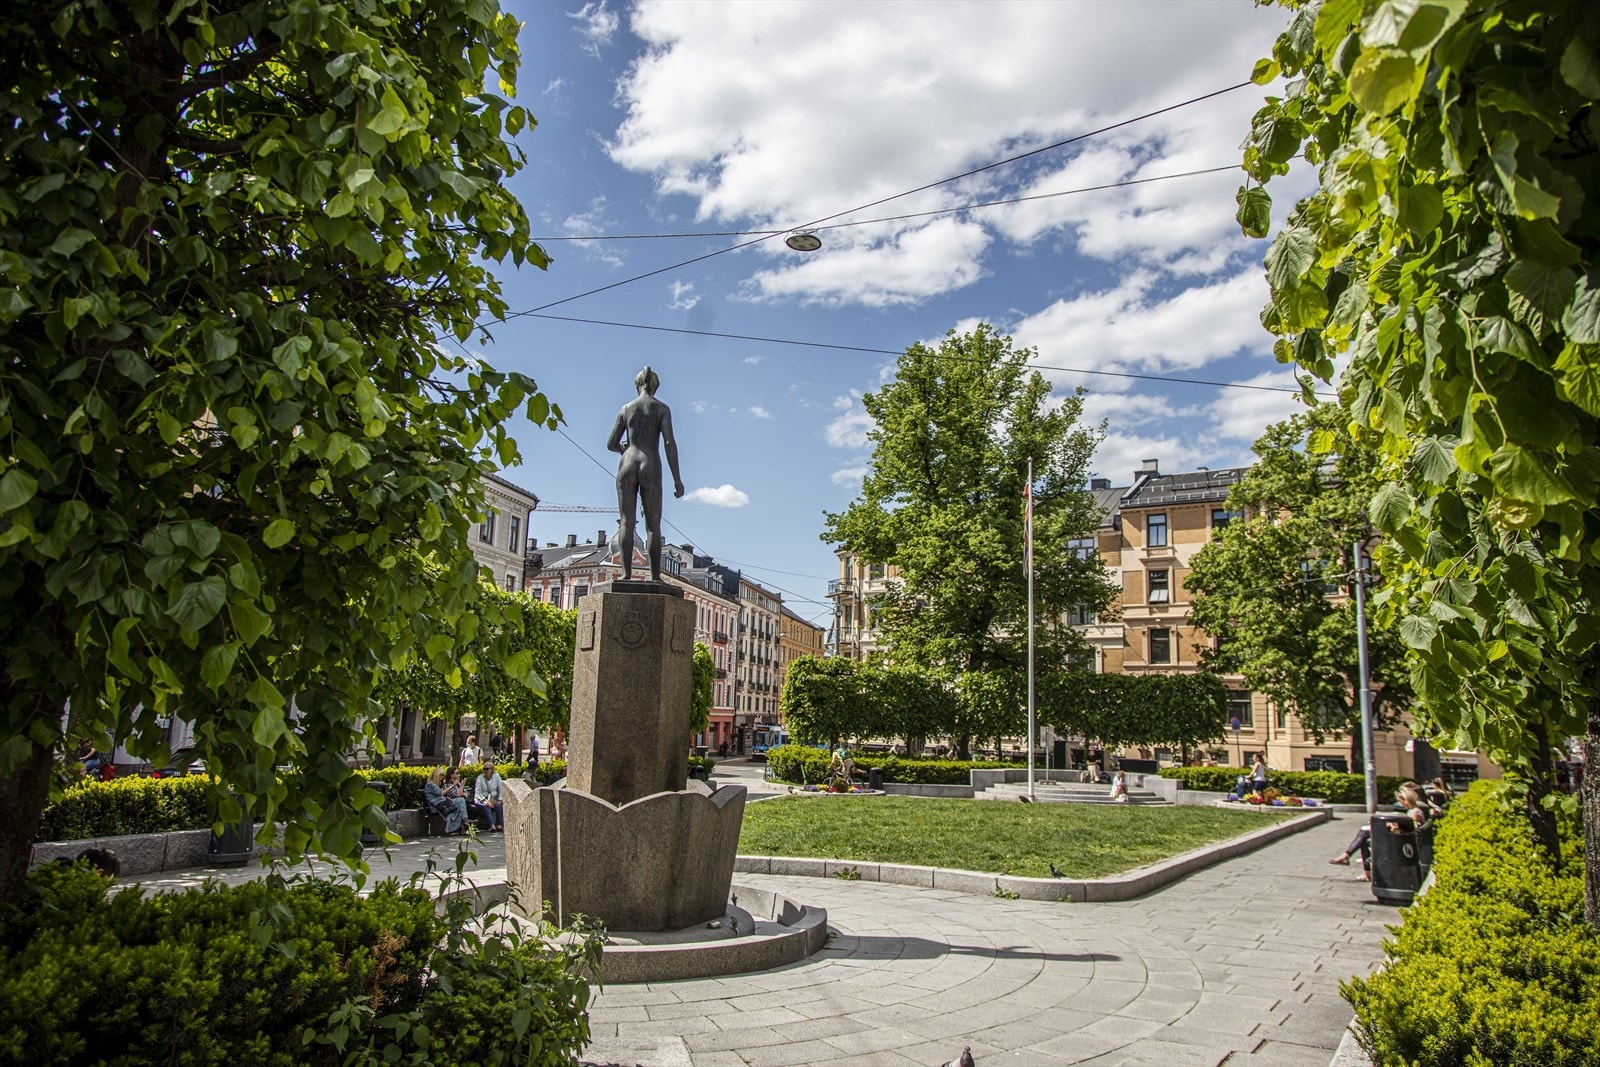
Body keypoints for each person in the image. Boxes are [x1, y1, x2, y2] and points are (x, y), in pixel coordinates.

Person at [606, 365, 686, 583]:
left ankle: (625, 573)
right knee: (653, 525)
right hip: (651, 464)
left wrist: (624, 448)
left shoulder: (626, 409)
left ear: (637, 384)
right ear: (655, 386)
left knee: (626, 522)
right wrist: (677, 479)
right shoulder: (662, 409)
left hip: (627, 463)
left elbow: (611, 443)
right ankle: (654, 576)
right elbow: (669, 443)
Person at [1330, 783, 1432, 873]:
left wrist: (1392, 825)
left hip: (1400, 841)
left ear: (1406, 800)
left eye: (1401, 801)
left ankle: (1347, 856)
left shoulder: (1415, 813)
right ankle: (1360, 867)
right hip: (1401, 838)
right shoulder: (1414, 810)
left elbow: (1407, 829)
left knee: (1364, 833)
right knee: (1364, 837)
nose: (1400, 804)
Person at [424, 767, 469, 835]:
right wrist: (453, 785)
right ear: (436, 774)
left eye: (443, 775)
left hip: (443, 802)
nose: (443, 777)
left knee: (461, 801)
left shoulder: (435, 784)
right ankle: (464, 822)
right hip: (437, 806)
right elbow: (440, 793)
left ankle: (464, 822)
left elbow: (439, 795)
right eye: (441, 775)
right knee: (460, 801)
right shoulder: (430, 784)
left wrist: (446, 798)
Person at [475, 762, 505, 831]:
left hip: (494, 798)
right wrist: (484, 801)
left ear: (491, 770)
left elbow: (501, 788)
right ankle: (491, 825)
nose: (485, 771)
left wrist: (500, 799)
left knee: (499, 806)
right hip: (483, 799)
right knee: (486, 806)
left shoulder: (496, 776)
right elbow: (477, 792)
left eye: (487, 769)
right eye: (484, 769)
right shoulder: (480, 778)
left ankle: (499, 825)